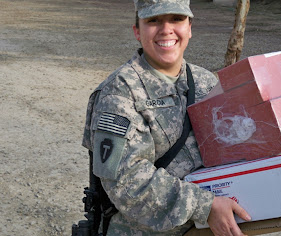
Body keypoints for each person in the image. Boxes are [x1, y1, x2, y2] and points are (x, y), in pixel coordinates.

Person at [82, 0, 251, 235]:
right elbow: (126, 183)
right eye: (153, 21)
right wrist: (205, 206)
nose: (166, 29)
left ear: (189, 27)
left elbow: (233, 147)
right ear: (137, 32)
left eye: (176, 19)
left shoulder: (205, 82)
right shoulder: (119, 92)